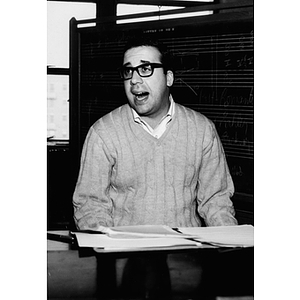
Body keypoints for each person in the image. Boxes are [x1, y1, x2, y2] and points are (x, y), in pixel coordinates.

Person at [72, 36, 238, 299]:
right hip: (124, 265)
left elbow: (216, 200)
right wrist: (107, 254)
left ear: (169, 77)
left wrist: (230, 253)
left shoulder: (201, 130)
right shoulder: (103, 133)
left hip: (187, 265)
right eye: (128, 71)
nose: (135, 80)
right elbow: (90, 204)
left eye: (146, 69)